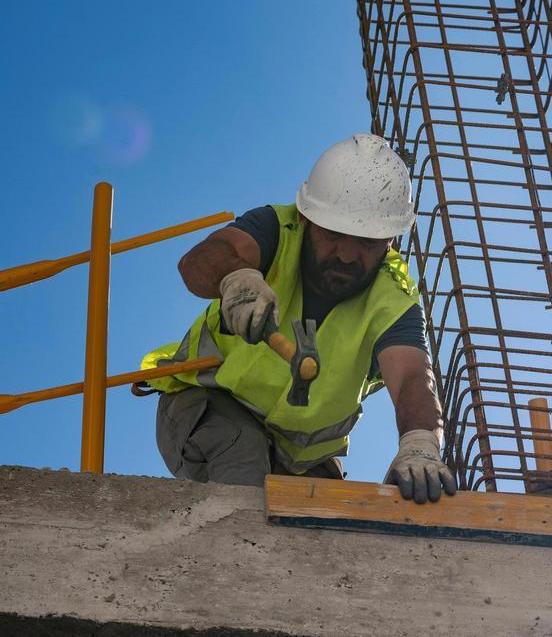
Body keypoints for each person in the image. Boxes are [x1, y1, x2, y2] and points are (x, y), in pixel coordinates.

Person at [141, 134, 455, 503]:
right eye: (335, 234)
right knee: (244, 478)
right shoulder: (276, 230)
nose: (348, 255)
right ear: (306, 218)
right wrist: (236, 279)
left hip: (302, 454)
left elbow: (413, 379)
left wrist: (420, 444)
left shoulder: (394, 297)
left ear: (391, 239)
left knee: (330, 524)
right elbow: (200, 261)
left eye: (367, 242)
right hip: (210, 406)